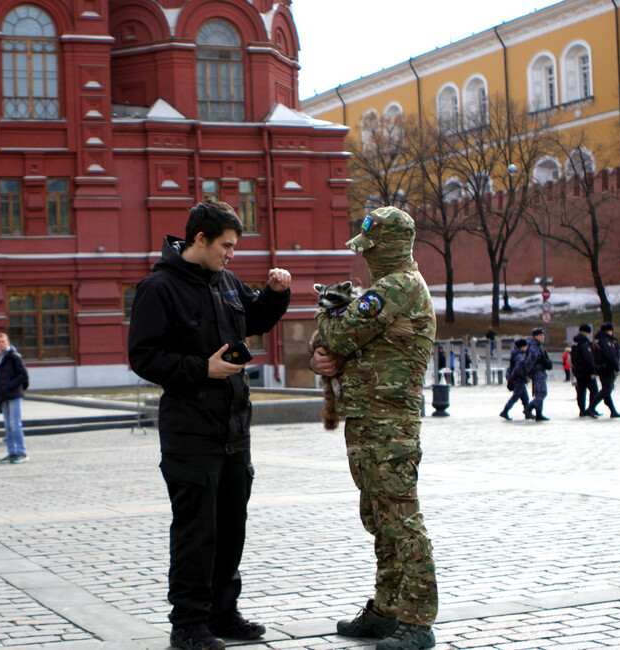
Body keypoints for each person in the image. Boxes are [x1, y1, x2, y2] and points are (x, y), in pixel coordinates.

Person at [127, 200, 291, 650]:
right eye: (226, 245)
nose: (231, 254)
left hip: (234, 430)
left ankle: (224, 613)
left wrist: (275, 295)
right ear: (200, 239)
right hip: (190, 433)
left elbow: (253, 320)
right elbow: (143, 357)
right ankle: (189, 625)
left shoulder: (228, 282)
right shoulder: (158, 288)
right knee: (196, 532)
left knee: (230, 528)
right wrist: (202, 369)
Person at [310, 206, 438, 650]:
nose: (364, 258)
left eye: (371, 249)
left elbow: (342, 335)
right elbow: (347, 348)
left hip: (390, 425)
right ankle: (386, 610)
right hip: (369, 421)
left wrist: (325, 320)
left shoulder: (398, 286)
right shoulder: (387, 288)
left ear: (389, 248)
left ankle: (418, 620)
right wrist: (323, 356)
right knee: (380, 518)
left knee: (401, 519)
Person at [0, 333, 30, 463]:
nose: (1, 344)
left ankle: (22, 453)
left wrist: (11, 386)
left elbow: (23, 375)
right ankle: (12, 452)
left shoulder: (14, 356)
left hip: (13, 394)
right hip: (4, 395)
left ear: (8, 342)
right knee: (8, 426)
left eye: (3, 341)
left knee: (15, 424)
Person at [589, 322, 620, 418]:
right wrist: (617, 367)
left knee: (606, 390)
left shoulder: (598, 341)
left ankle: (612, 411)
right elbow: (611, 355)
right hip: (606, 368)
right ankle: (591, 408)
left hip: (600, 368)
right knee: (607, 389)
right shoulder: (606, 341)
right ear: (609, 331)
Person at [570, 324, 599, 418]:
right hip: (586, 371)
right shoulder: (585, 344)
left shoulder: (575, 344)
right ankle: (591, 408)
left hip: (578, 371)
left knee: (581, 391)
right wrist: (592, 372)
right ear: (587, 333)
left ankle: (582, 410)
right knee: (594, 390)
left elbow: (572, 359)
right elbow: (588, 359)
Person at [522, 328, 551, 421]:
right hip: (537, 372)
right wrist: (528, 372)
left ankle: (538, 413)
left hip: (538, 372)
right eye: (540, 335)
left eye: (543, 335)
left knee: (538, 393)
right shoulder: (534, 347)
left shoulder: (537, 346)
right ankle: (529, 408)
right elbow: (530, 361)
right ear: (535, 336)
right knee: (542, 393)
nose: (543, 337)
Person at [500, 339, 529, 420]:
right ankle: (505, 411)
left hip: (517, 378)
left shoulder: (515, 354)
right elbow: (518, 367)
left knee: (524, 397)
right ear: (522, 347)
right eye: (525, 346)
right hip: (518, 378)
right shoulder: (519, 356)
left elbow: (511, 366)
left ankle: (527, 412)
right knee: (516, 396)